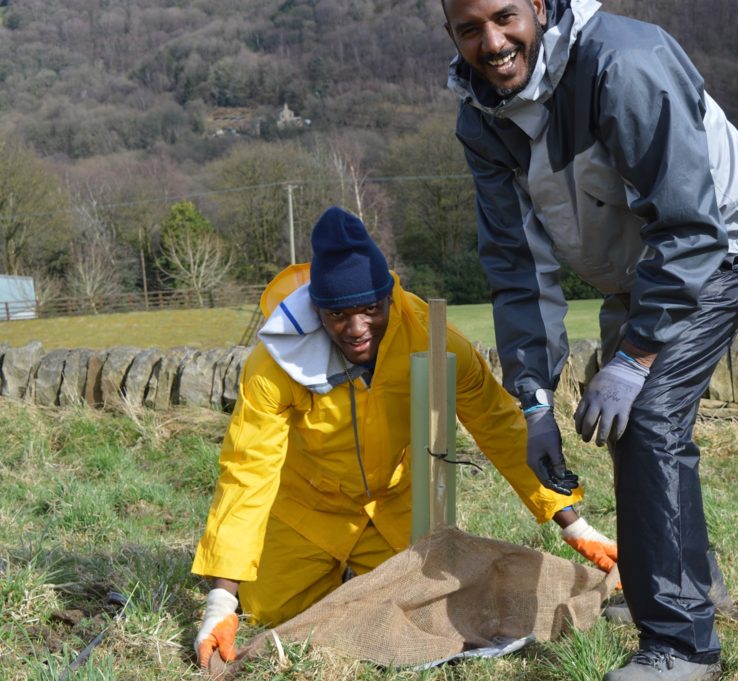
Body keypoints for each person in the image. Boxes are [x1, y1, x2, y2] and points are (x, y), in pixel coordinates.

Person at [442, 1, 738, 679]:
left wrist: (634, 357)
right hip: (641, 263)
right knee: (644, 422)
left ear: (539, 5)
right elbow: (515, 265)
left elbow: (689, 227)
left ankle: (682, 645)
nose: (492, 42)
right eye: (469, 29)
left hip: (720, 242)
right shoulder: (481, 117)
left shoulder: (624, 66)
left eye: (504, 17)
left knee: (648, 411)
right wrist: (533, 401)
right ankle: (688, 580)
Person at [190, 206, 618, 670]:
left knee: (419, 600)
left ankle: (361, 573)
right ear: (317, 309)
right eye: (338, 314)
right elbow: (246, 473)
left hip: (394, 505)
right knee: (271, 611)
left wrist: (573, 523)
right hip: (307, 510)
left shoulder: (433, 338)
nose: (357, 329)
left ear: (389, 296)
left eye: (371, 309)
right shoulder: (274, 365)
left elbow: (499, 427)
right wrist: (220, 601)